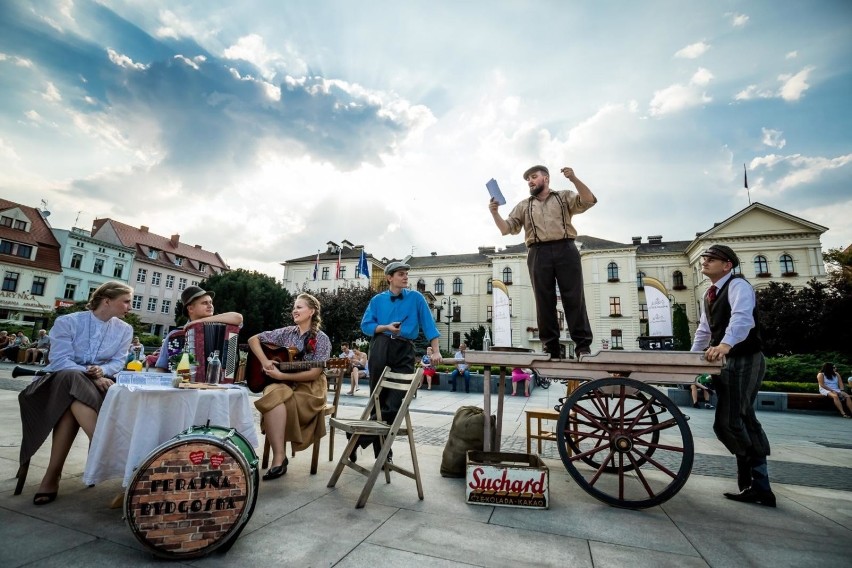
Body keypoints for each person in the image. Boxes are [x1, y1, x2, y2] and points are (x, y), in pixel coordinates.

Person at [17, 281, 134, 505]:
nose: (130, 306)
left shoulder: (125, 329)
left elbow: (118, 362)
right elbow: (60, 361)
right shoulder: (68, 321)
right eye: (126, 301)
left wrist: (105, 371)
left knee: (70, 406)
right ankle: (105, 445)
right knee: (70, 377)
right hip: (52, 386)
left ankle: (51, 476)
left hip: (87, 391)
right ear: (107, 300)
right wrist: (95, 375)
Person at [691, 244, 775, 507]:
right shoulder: (710, 294)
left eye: (711, 259)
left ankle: (755, 482)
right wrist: (691, 359)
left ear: (727, 265)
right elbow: (704, 331)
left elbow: (742, 319)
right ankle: (756, 485)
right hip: (725, 362)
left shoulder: (739, 286)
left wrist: (726, 345)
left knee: (730, 421)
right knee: (741, 419)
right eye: (704, 258)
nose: (704, 261)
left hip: (744, 358)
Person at [489, 165, 596, 359]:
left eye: (533, 177)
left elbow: (588, 200)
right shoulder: (523, 205)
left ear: (545, 178)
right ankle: (551, 348)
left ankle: (582, 347)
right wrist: (495, 213)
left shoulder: (563, 196)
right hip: (538, 252)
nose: (530, 181)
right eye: (528, 179)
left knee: (574, 297)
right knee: (543, 300)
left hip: (566, 248)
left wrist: (574, 178)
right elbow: (507, 229)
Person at [359, 261, 442, 460]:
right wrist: (386, 327)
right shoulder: (377, 300)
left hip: (404, 349)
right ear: (389, 278)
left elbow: (429, 325)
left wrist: (436, 351)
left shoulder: (416, 298)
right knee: (377, 399)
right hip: (380, 346)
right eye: (401, 274)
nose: (405, 277)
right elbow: (366, 326)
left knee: (396, 400)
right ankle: (383, 450)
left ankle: (359, 436)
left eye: (406, 274)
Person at [248, 293, 331, 481]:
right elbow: (254, 339)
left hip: (310, 387)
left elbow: (314, 373)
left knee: (283, 400)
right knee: (272, 395)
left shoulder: (322, 339)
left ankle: (278, 457)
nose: (295, 310)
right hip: (282, 382)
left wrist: (281, 374)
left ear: (312, 311)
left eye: (300, 307)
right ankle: (280, 456)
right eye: (294, 307)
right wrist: (265, 362)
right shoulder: (286, 332)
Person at [153, 286, 243, 372]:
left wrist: (198, 322)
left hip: (219, 385)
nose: (210, 305)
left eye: (211, 302)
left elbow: (238, 318)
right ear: (191, 309)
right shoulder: (176, 335)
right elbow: (161, 368)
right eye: (204, 303)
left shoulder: (223, 327)